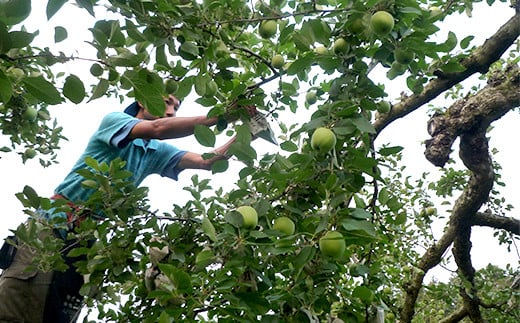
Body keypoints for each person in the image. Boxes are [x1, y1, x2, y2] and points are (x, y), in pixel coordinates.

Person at [0, 95, 256, 323]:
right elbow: (157, 128)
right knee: (18, 302)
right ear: (143, 99)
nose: (172, 112)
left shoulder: (157, 151)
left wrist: (246, 132)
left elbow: (206, 161)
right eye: (167, 102)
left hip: (87, 240)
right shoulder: (116, 121)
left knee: (60, 311)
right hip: (52, 224)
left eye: (177, 107)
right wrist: (220, 115)